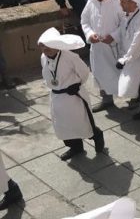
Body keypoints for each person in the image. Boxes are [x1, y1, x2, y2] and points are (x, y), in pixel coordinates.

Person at [38, 27, 105, 160]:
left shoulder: (70, 57)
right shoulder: (43, 58)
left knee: (81, 122)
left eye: (47, 47)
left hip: (73, 96)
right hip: (58, 97)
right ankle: (75, 147)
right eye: (42, 48)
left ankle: (96, 135)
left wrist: (77, 84)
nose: (45, 50)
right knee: (64, 125)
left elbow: (84, 72)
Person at [80, 0, 123, 112]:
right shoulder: (91, 2)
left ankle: (135, 98)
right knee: (100, 73)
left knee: (122, 74)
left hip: (115, 47)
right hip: (97, 48)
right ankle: (107, 100)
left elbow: (125, 23)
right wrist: (90, 34)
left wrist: (113, 36)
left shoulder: (118, 2)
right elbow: (85, 21)